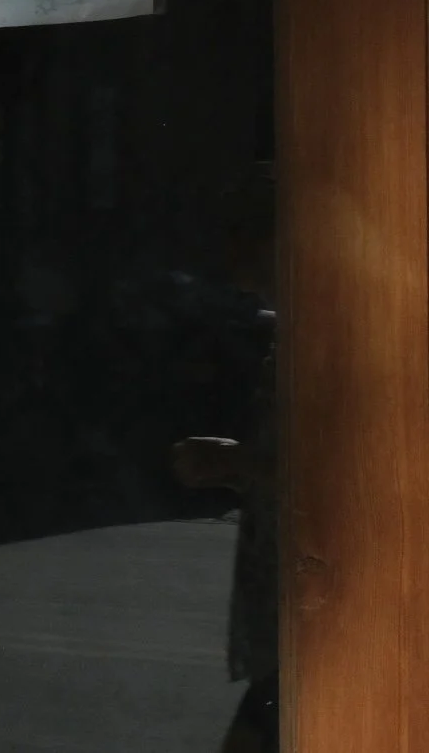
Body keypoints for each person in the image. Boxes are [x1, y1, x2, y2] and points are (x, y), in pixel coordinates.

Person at [170, 167, 279, 753]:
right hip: (298, 609)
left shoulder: (335, 337)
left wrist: (238, 466)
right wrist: (237, 466)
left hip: (320, 605)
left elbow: (346, 474)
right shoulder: (296, 334)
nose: (242, 280)